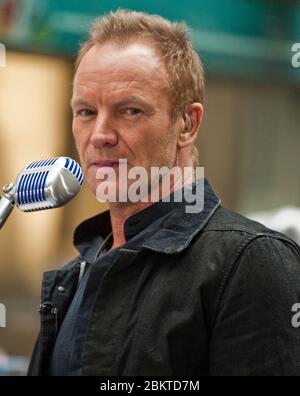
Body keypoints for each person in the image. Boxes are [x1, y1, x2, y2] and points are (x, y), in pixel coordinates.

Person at [28, 9, 300, 376]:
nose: (100, 135)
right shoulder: (74, 276)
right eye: (87, 112)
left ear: (187, 124)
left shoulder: (251, 263)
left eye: (130, 110)